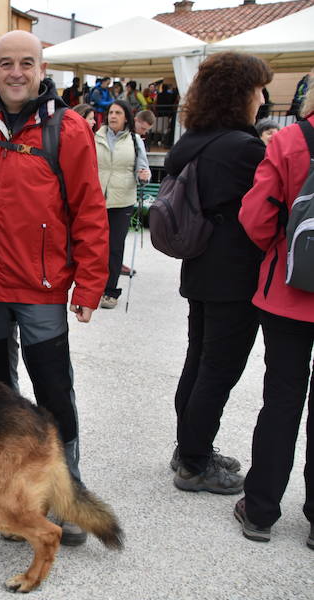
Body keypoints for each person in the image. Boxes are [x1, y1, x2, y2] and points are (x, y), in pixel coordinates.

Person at [0, 31, 109, 546]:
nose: (16, 72)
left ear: (42, 67)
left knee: (53, 394)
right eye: (6, 63)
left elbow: (89, 209)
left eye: (27, 62)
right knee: (1, 396)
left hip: (42, 287)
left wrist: (89, 285)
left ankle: (65, 496)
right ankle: (18, 498)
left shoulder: (66, 129)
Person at [165, 52, 272, 494]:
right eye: (260, 89)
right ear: (241, 92)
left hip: (201, 267)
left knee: (198, 360)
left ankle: (189, 446)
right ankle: (193, 462)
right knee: (219, 369)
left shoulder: (194, 138)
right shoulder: (243, 148)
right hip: (235, 273)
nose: (264, 98)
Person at [236, 86, 314, 550]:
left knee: (281, 402)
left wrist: (279, 249)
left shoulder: (289, 140)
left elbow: (256, 216)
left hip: (288, 291)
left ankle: (261, 510)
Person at [95, 100, 150, 310]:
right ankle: (94, 287)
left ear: (126, 117)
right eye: (110, 112)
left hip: (122, 201)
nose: (113, 116)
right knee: (95, 247)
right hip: (97, 200)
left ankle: (110, 291)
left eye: (118, 112)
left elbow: (142, 169)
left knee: (115, 248)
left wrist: (144, 175)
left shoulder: (135, 140)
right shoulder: (96, 137)